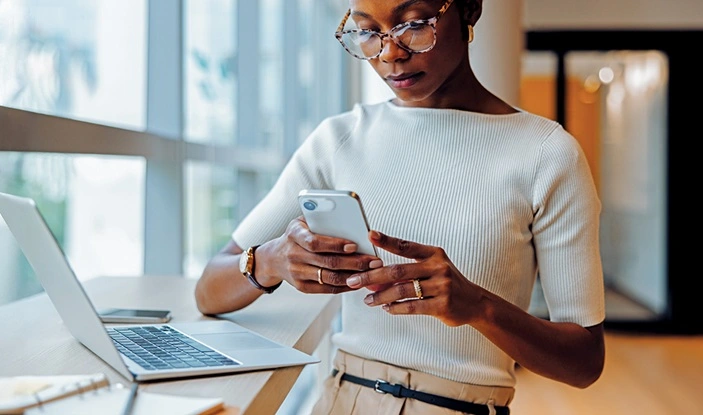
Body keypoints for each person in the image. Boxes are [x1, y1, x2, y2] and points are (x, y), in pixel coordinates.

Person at [194, 0, 606, 413]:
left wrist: (480, 306)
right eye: (368, 32)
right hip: (341, 400)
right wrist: (270, 259)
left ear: (468, 10)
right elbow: (209, 291)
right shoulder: (339, 139)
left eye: (414, 25)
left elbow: (584, 363)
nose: (390, 52)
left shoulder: (547, 154)